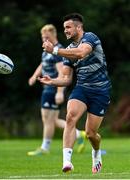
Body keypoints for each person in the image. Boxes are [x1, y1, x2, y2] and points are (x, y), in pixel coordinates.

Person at [39, 13, 111, 173]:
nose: (65, 31)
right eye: (64, 28)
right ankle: (67, 162)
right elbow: (66, 78)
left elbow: (81, 53)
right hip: (82, 88)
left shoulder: (90, 38)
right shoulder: (68, 50)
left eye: (68, 27)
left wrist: (55, 50)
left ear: (79, 27)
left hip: (101, 90)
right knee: (70, 117)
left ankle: (96, 152)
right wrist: (52, 81)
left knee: (91, 134)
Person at [27, 24, 86, 156]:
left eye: (47, 36)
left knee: (48, 119)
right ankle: (79, 134)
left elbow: (62, 73)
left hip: (53, 88)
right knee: (50, 120)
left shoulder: (57, 51)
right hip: (47, 88)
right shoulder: (46, 50)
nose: (44, 39)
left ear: (54, 35)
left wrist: (59, 92)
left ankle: (45, 147)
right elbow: (43, 64)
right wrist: (34, 75)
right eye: (43, 37)